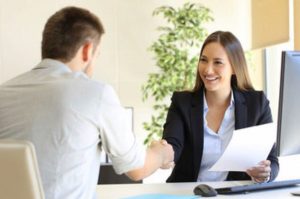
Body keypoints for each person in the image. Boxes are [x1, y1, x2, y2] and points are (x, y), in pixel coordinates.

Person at [0, 7, 174, 199]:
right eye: (96, 55)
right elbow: (137, 169)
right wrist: (162, 153)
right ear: (87, 50)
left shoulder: (4, 92)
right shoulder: (96, 94)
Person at [162, 31, 279, 183]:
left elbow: (272, 159)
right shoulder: (182, 102)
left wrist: (265, 173)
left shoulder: (257, 104)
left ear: (234, 68)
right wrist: (163, 155)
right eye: (203, 60)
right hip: (188, 193)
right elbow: (173, 144)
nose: (208, 70)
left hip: (234, 194)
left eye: (218, 62)